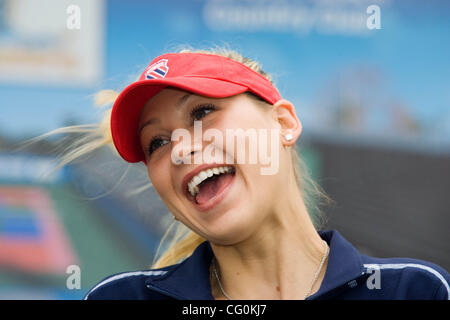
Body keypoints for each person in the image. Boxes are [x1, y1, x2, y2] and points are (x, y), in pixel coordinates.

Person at [49, 48, 449, 300]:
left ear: (284, 123)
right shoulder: (121, 298)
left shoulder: (416, 289)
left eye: (203, 112)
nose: (181, 148)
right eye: (157, 142)